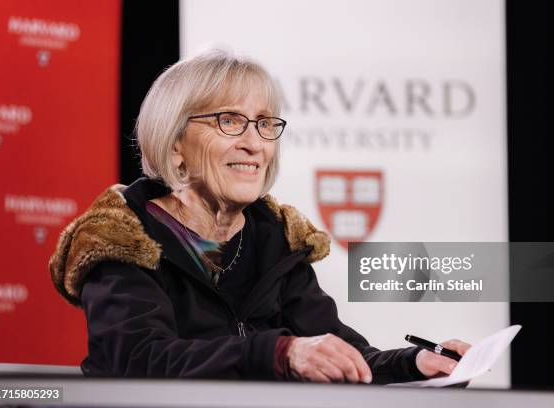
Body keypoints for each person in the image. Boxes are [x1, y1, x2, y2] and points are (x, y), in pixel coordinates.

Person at [49, 49, 469, 383]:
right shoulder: (123, 237)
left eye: (265, 124)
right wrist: (280, 353)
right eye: (229, 121)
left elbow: (342, 355)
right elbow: (139, 360)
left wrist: (415, 364)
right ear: (175, 142)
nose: (255, 143)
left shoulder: (277, 240)